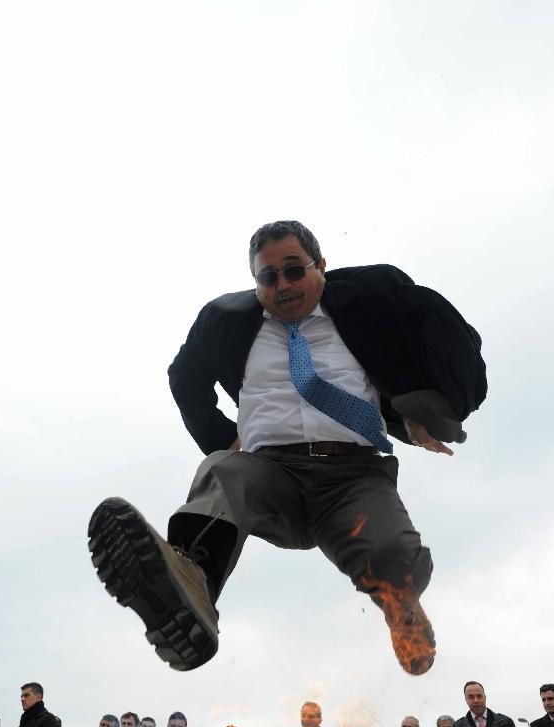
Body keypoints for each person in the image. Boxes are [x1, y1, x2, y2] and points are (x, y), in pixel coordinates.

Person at [88, 220, 486, 677]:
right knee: (225, 471)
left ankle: (402, 609)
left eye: (294, 270)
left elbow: (443, 329)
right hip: (271, 475)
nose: (283, 285)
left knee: (393, 554)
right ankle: (189, 582)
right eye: (268, 277)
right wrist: (223, 438)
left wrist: (436, 404)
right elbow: (185, 376)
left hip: (352, 480)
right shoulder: (228, 323)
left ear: (321, 265)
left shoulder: (365, 305)